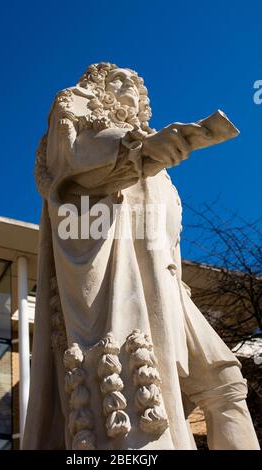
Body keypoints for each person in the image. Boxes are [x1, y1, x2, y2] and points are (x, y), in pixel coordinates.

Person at [23, 62, 260, 450]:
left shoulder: (154, 160)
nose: (131, 85)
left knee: (225, 379)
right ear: (98, 87)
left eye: (136, 82)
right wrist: (141, 149)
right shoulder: (76, 106)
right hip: (120, 273)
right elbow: (74, 157)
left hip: (168, 283)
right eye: (118, 79)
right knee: (131, 386)